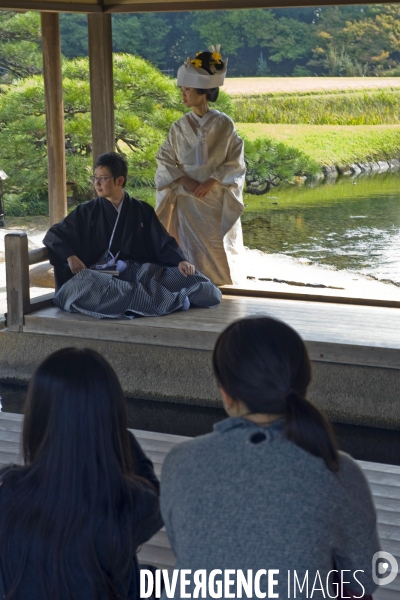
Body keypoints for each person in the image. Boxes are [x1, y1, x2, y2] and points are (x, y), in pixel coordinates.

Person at [160, 316, 379, 599]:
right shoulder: (338, 469)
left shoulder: (181, 461)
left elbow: (188, 549)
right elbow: (364, 579)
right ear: (303, 386)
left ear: (226, 393)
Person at [0, 348, 163, 600]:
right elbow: (158, 501)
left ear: (37, 417)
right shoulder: (129, 503)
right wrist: (119, 439)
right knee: (155, 580)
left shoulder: (7, 492)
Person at [44, 152, 221, 319]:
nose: (96, 183)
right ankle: (173, 301)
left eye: (103, 179)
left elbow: (161, 241)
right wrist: (70, 256)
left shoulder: (141, 210)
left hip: (139, 273)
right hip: (101, 276)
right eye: (95, 178)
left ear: (119, 180)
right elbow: (54, 235)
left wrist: (180, 260)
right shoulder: (86, 211)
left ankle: (143, 301)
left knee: (201, 284)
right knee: (79, 286)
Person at [155, 46, 245, 286]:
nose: (183, 95)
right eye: (182, 90)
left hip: (214, 195)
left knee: (216, 241)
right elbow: (164, 159)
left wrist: (212, 180)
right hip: (188, 198)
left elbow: (235, 159)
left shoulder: (224, 124)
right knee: (188, 243)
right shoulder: (178, 127)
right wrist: (186, 180)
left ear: (203, 92)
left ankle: (219, 282)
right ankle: (192, 282)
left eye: (188, 90)